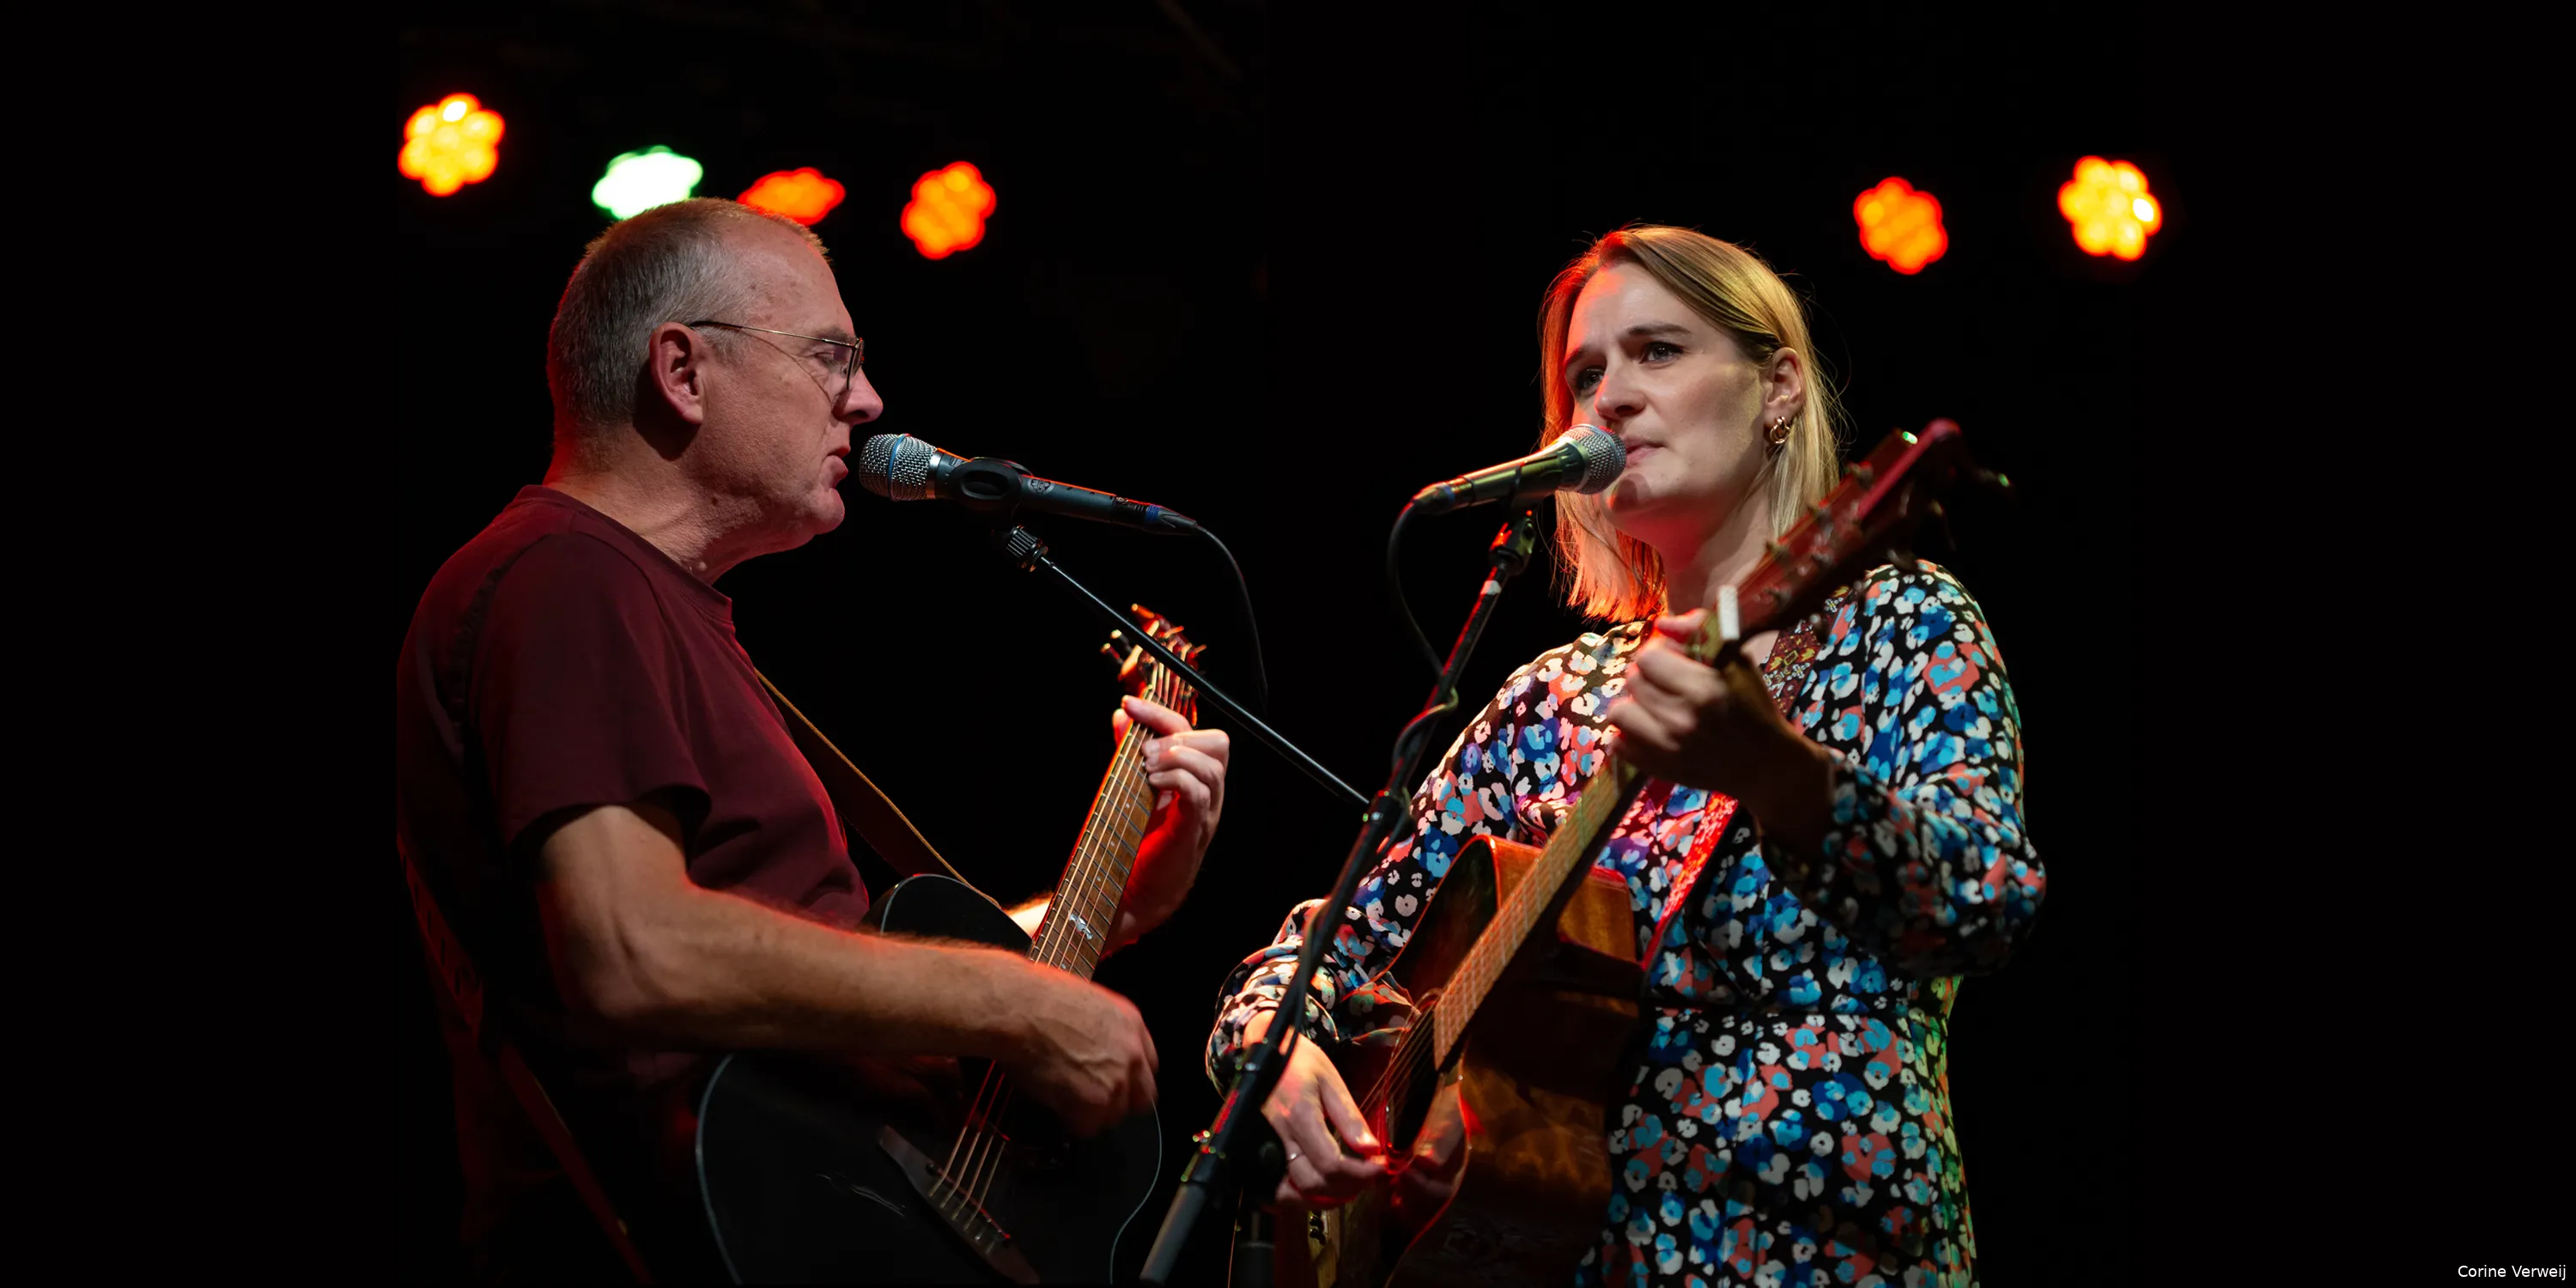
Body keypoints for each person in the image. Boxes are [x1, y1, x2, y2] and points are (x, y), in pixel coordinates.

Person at [395, 197, 1233, 1281]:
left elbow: (803, 953)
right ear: (683, 372)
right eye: (833, 356)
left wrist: (1114, 907)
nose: (871, 401)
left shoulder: (654, 606)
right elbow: (628, 946)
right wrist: (1014, 1001)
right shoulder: (566, 576)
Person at [1205, 225, 2044, 1287]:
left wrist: (1779, 773)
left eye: (1658, 352)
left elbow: (1981, 903)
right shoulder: (1551, 701)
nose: (1609, 397)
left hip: (1821, 1250)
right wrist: (1272, 1055)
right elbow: (1320, 947)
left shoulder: (1901, 621)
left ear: (1779, 387)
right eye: (1584, 374)